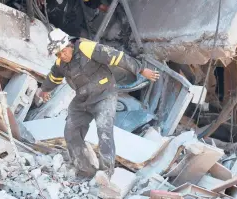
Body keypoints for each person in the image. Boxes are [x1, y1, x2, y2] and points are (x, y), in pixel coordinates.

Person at [39, 29, 160, 181]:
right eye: (58, 54)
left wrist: (141, 69)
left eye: (63, 51)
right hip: (82, 98)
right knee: (71, 132)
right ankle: (85, 170)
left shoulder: (87, 48)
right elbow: (54, 77)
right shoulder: (60, 62)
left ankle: (105, 173)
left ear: (69, 44)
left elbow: (117, 57)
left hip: (104, 94)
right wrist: (44, 89)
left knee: (104, 131)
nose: (62, 56)